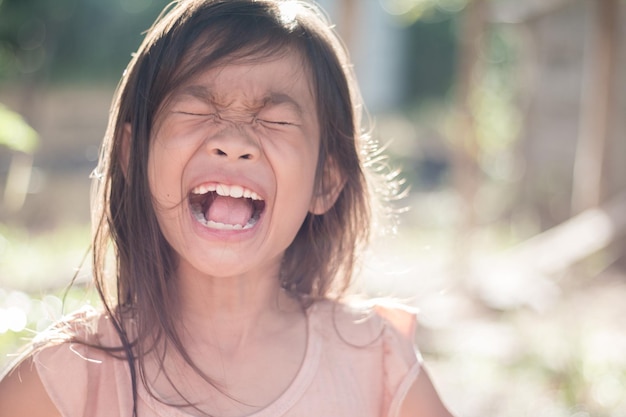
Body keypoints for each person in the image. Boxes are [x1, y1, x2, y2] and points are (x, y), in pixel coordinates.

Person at [0, 1, 455, 416]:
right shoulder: (68, 376)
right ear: (133, 156)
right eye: (198, 111)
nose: (234, 143)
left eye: (276, 120)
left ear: (325, 181)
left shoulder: (374, 361)